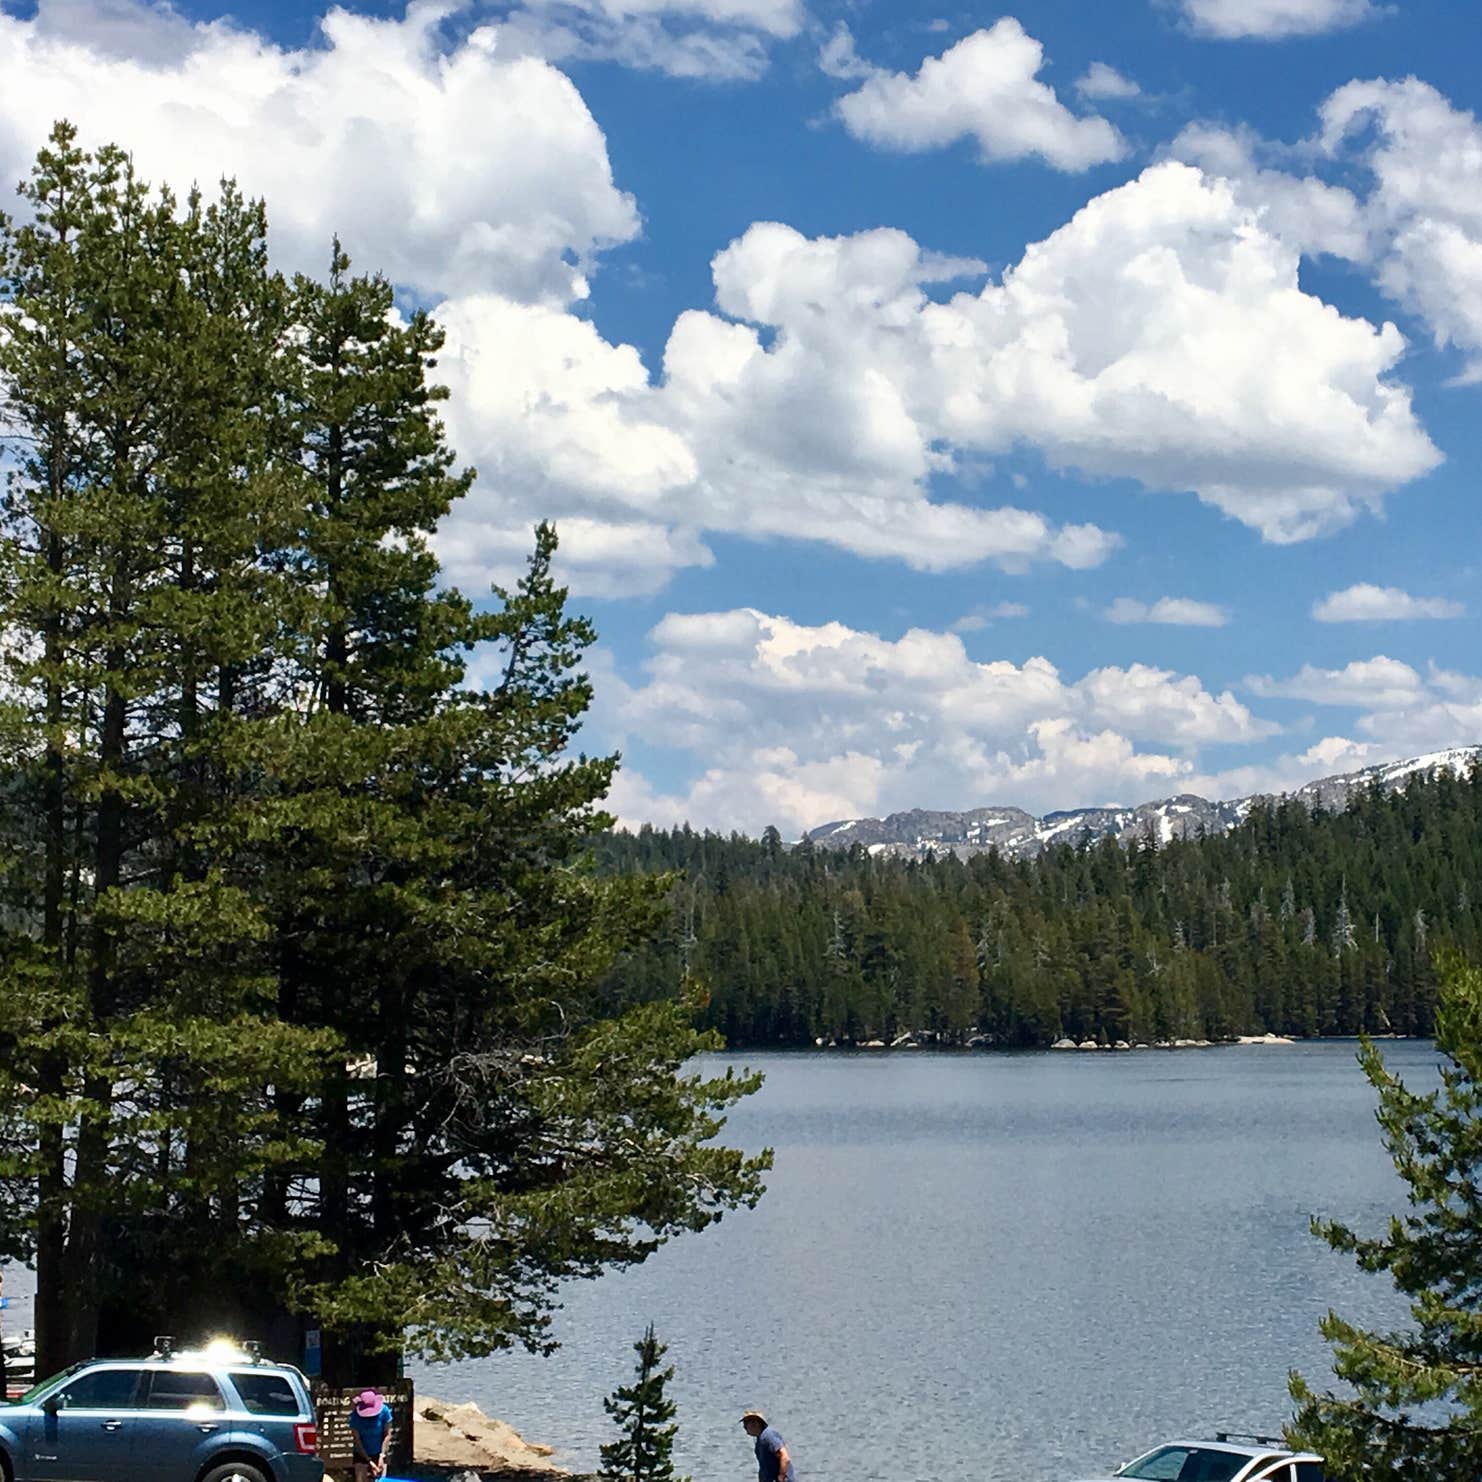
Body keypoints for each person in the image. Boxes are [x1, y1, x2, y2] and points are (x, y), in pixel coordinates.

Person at [740, 1408, 795, 1482]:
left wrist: (781, 1477)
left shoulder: (768, 1436)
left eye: (746, 1423)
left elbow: (785, 1457)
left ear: (755, 1423)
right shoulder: (761, 1438)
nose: (744, 1427)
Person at [349, 1389, 392, 1481]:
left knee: (380, 1479)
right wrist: (369, 1461)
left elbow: (387, 1435)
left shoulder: (384, 1411)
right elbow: (357, 1440)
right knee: (361, 1478)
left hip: (379, 1451)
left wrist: (382, 1455)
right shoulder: (355, 1416)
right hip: (361, 1452)